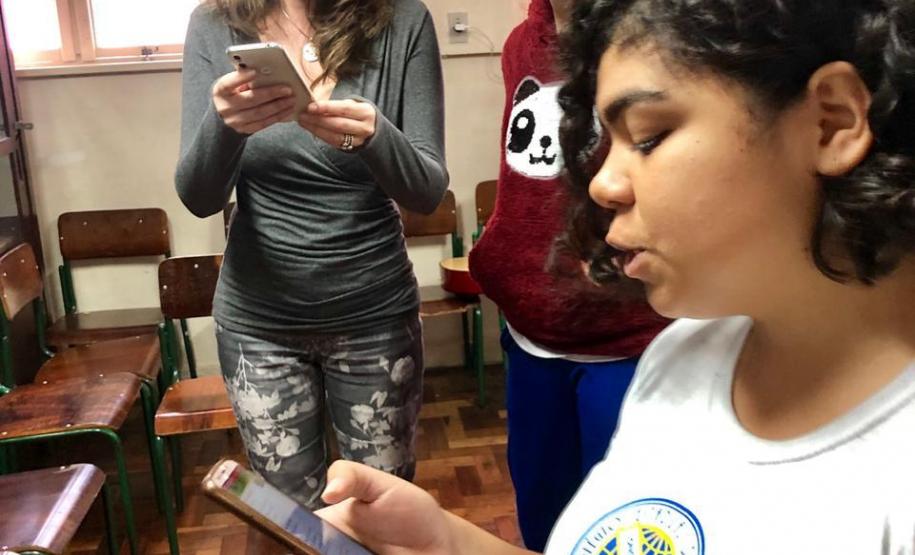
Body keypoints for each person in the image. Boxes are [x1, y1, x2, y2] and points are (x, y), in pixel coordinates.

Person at [314, 0, 915, 552]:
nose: (599, 184)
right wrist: (446, 542)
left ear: (831, 121)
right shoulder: (683, 359)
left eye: (648, 137)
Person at [175, 0, 447, 508]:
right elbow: (198, 197)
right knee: (294, 522)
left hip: (375, 318)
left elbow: (427, 191)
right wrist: (225, 126)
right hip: (259, 328)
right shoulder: (215, 24)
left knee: (379, 514)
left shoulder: (403, 19)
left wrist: (374, 137)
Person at [467, 0, 669, 549]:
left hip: (628, 340)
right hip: (533, 334)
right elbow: (523, 179)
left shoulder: (658, 37)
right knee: (542, 516)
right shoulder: (520, 44)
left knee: (624, 524)